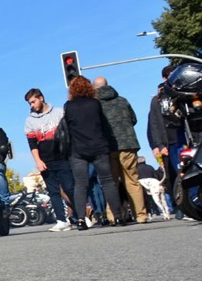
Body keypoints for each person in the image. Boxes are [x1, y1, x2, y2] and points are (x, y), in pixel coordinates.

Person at [64, 76, 124, 230]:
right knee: (107, 181)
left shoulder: (68, 107)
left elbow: (68, 130)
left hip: (78, 150)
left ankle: (81, 220)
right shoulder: (95, 104)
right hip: (98, 147)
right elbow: (104, 126)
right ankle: (118, 216)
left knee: (80, 185)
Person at [93, 76, 147, 223]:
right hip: (128, 144)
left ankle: (113, 216)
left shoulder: (95, 104)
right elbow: (133, 119)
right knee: (132, 181)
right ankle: (141, 215)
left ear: (94, 88)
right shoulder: (122, 100)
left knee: (111, 183)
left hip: (109, 147)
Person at [23, 88, 75, 232]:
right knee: (53, 192)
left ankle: (81, 215)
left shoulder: (59, 113)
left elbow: (69, 132)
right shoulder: (30, 121)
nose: (32, 105)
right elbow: (32, 143)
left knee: (70, 188)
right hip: (46, 160)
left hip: (63, 157)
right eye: (29, 103)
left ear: (41, 98)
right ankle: (61, 220)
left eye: (33, 101)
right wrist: (38, 161)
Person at [147, 65, 185, 219]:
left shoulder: (182, 92)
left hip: (184, 137)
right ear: (164, 78)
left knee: (187, 172)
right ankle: (179, 206)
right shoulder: (157, 100)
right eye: (169, 75)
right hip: (168, 142)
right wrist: (159, 145)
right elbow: (154, 124)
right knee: (173, 175)